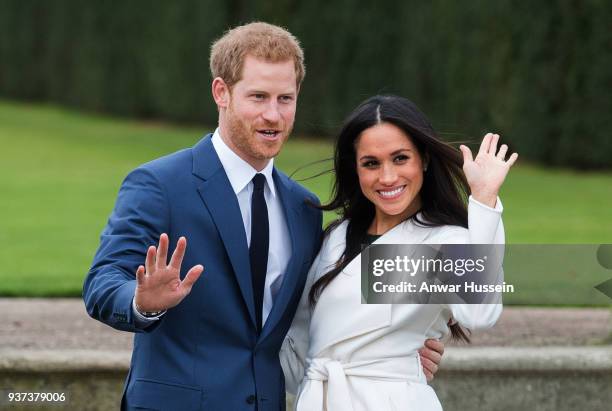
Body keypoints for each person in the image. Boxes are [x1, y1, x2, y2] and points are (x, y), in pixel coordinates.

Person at [82, 24, 444, 411]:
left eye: (285, 98)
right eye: (258, 97)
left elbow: (321, 313)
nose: (273, 115)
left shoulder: (303, 209)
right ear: (221, 92)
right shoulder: (159, 184)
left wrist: (393, 349)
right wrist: (142, 302)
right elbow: (101, 283)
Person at [280, 95, 517, 410]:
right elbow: (299, 347)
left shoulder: (444, 241)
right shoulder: (335, 237)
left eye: (400, 158)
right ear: (356, 169)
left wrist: (484, 200)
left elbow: (479, 314)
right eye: (371, 163)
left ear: (424, 159)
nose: (388, 177)